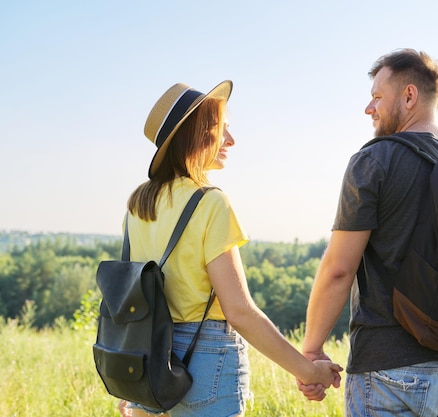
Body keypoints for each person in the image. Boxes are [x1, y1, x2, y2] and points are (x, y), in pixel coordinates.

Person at [120, 80, 342, 417]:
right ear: (196, 134)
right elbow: (239, 312)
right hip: (205, 358)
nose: (231, 140)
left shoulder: (138, 205)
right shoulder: (211, 203)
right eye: (221, 129)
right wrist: (308, 371)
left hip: (147, 356)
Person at [298, 49, 438, 416]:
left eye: (376, 97)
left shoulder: (375, 160)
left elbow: (339, 268)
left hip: (389, 371)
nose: (369, 109)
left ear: (409, 96)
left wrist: (311, 351)